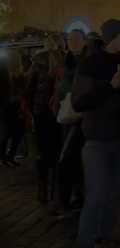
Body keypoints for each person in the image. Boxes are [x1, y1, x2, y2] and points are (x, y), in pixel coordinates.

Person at [72, 19, 120, 248]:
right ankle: (86, 240)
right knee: (97, 193)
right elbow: (79, 102)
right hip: (97, 139)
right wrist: (110, 86)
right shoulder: (91, 63)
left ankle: (103, 236)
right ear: (112, 39)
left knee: (113, 195)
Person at [27, 34, 65, 203]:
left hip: (41, 111)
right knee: (58, 151)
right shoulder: (65, 59)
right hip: (61, 112)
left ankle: (42, 189)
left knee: (42, 151)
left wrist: (29, 110)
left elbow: (29, 88)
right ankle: (57, 191)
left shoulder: (37, 61)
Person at [55, 29, 87, 218]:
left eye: (77, 39)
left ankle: (70, 199)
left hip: (80, 116)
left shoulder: (86, 60)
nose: (73, 42)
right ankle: (69, 199)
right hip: (66, 115)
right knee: (68, 159)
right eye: (70, 39)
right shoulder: (66, 59)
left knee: (69, 159)